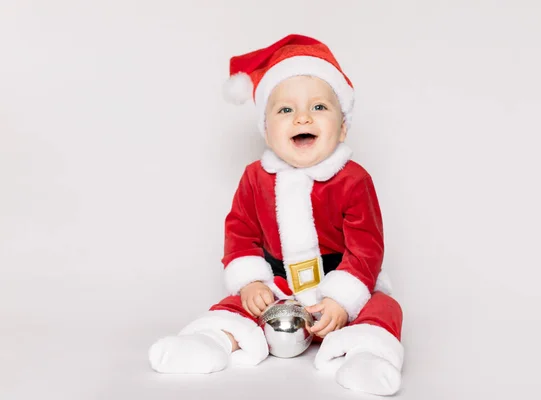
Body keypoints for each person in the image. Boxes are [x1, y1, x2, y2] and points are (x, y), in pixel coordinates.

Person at [148, 34, 405, 396]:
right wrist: (252, 282)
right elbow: (240, 233)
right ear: (266, 131)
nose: (302, 116)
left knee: (383, 306)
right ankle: (211, 341)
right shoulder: (255, 178)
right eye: (285, 110)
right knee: (238, 304)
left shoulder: (353, 179)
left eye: (319, 107)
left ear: (343, 126)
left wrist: (341, 300)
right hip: (279, 285)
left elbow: (367, 248)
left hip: (340, 280)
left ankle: (366, 357)